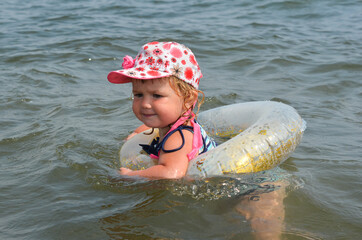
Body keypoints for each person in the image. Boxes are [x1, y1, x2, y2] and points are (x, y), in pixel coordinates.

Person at [107, 41, 217, 179]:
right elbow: (147, 127)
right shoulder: (179, 122)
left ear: (188, 99)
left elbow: (171, 173)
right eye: (138, 95)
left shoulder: (178, 138)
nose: (145, 104)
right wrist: (136, 133)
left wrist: (131, 174)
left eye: (157, 96)